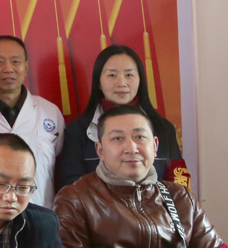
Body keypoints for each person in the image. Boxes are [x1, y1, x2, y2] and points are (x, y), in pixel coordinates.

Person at [54, 105, 224, 248]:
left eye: (140, 137)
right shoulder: (76, 198)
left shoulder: (179, 196)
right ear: (100, 151)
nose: (131, 148)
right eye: (117, 138)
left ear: (155, 146)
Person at [56, 45, 184, 191]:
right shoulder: (77, 131)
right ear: (98, 82)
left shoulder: (163, 128)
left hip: (156, 206)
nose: (121, 83)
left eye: (129, 75)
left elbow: (179, 182)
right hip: (98, 206)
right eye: (112, 75)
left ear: (140, 80)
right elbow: (71, 186)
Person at [0, 35, 63, 207]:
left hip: (40, 210)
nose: (8, 69)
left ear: (26, 67)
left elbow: (59, 163)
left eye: (16, 62)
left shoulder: (50, 111)